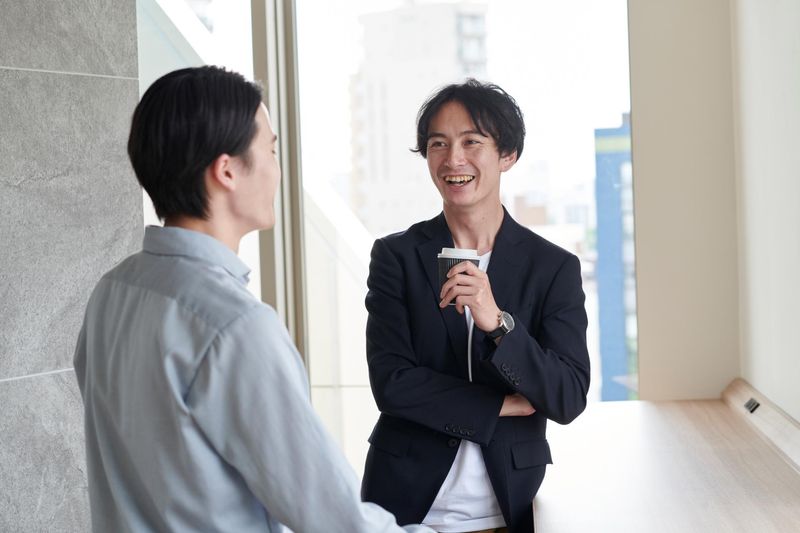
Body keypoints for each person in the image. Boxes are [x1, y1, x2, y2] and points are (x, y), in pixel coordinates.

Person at [73, 66, 432, 533]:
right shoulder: (234, 326)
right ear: (226, 171)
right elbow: (337, 520)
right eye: (272, 150)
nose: (278, 170)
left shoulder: (113, 291)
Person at [361, 79, 591, 533]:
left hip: (505, 511)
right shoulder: (396, 257)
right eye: (438, 144)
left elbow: (566, 395)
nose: (453, 159)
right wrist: (501, 405)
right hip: (401, 509)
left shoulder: (552, 267)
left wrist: (499, 324)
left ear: (508, 155)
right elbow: (392, 384)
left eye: (471, 142)